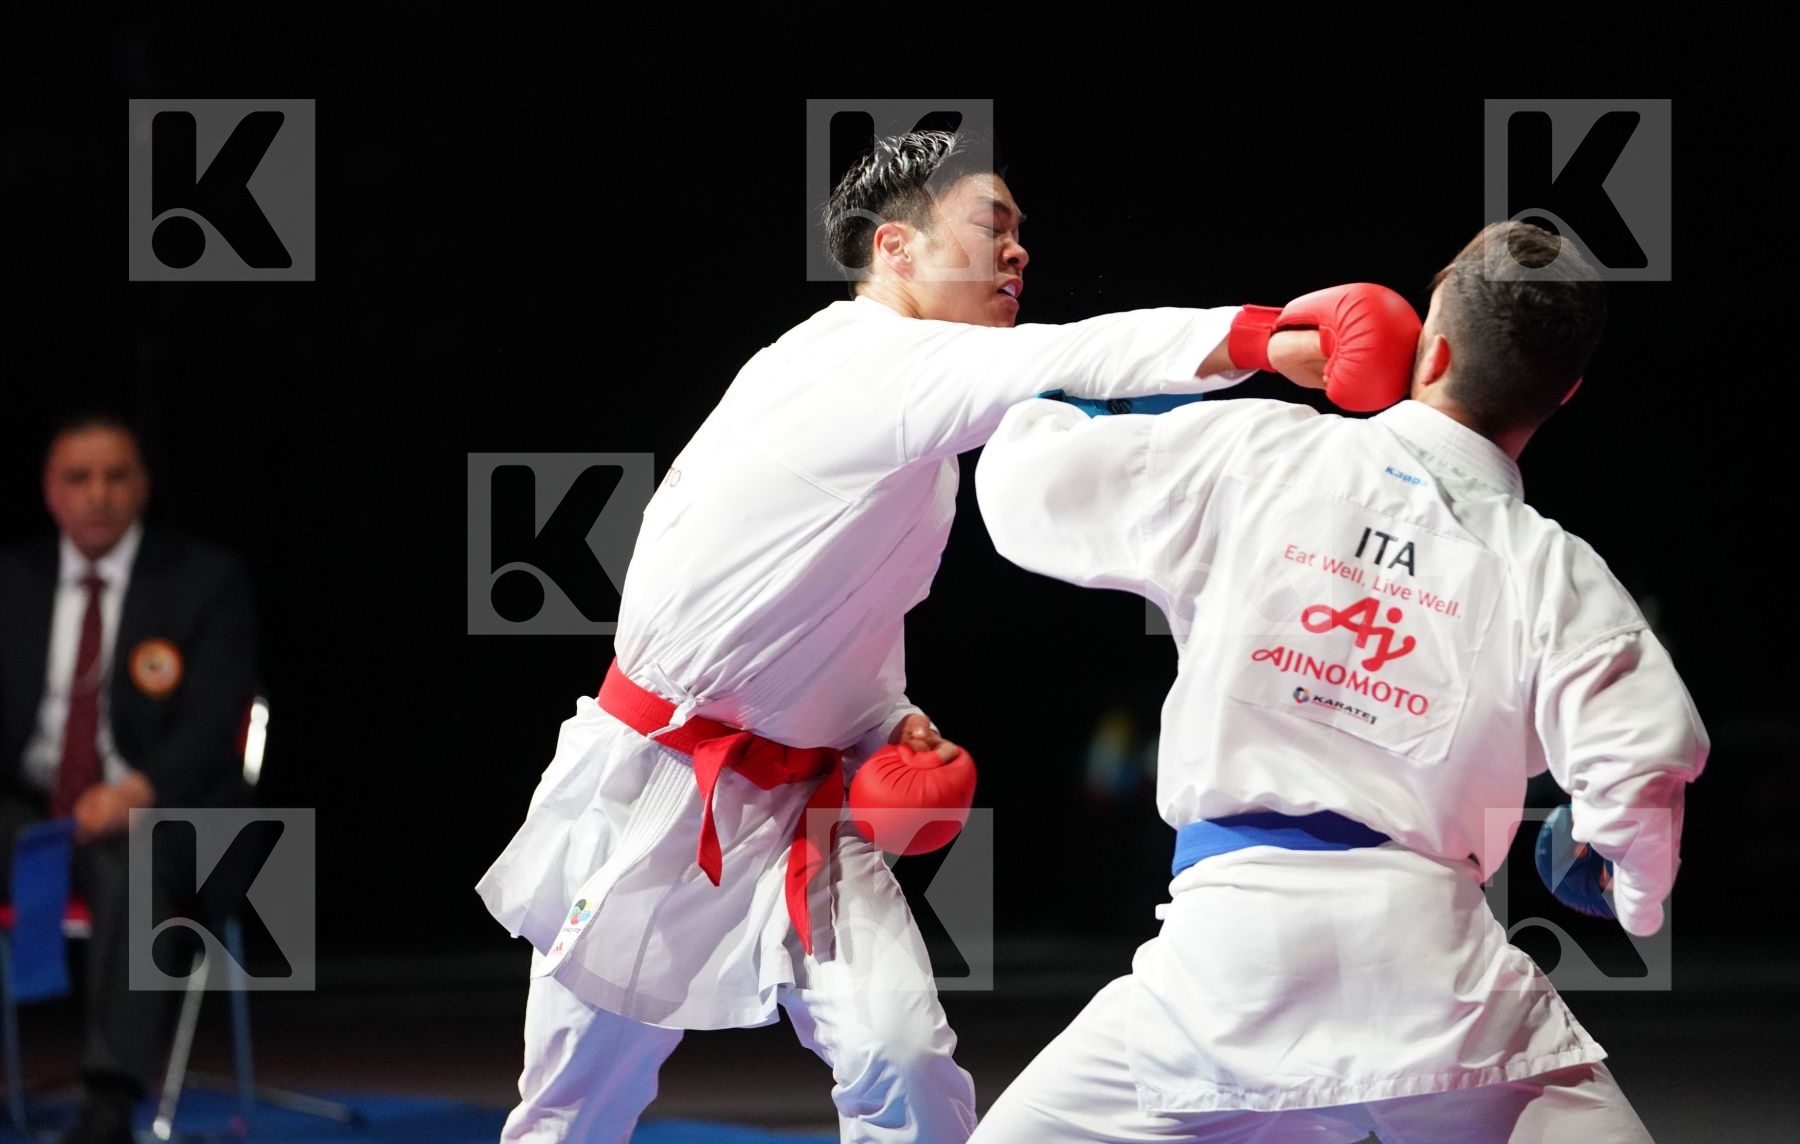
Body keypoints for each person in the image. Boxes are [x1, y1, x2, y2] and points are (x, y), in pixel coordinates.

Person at [474, 129, 1421, 1143]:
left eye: (1021, 231)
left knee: (907, 1062)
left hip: (806, 813)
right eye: (991, 225)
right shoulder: (858, 362)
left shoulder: (922, 436)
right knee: (575, 1107)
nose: (1019, 250)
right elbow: (1073, 354)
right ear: (896, 248)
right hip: (658, 790)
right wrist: (1268, 339)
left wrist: (889, 723)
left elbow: (837, 618)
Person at [965, 220, 1711, 1143]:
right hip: (1439, 984)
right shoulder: (1554, 569)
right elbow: (1645, 763)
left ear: (1431, 349)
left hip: (1226, 967)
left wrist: (1255, 347)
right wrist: (1631, 884)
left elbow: (1023, 478)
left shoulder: (1260, 452)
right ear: (1565, 393)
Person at [0, 411, 258, 1144]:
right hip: (29, 806)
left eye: (116, 476)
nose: (98, 494)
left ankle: (110, 1100)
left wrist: (132, 792)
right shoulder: (12, 581)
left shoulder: (203, 580)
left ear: (143, 486)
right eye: (78, 478)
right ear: (50, 491)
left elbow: (215, 720)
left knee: (129, 865)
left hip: (164, 807)